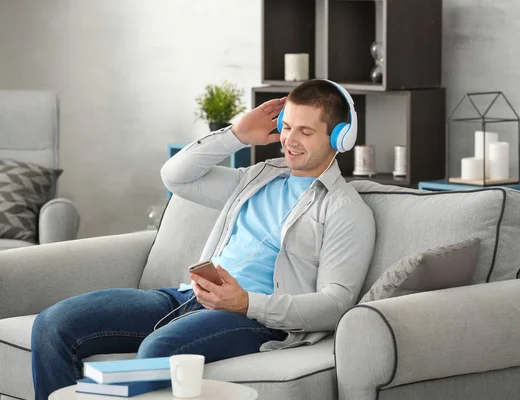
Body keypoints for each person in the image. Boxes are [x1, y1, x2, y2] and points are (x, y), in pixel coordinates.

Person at [30, 79, 376, 399]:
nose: (289, 140)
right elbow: (176, 177)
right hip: (187, 297)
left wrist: (245, 303)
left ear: (339, 137)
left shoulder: (345, 209)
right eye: (286, 127)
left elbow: (335, 305)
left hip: (255, 319)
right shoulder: (256, 177)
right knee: (53, 325)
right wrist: (237, 135)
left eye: (305, 131)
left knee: (158, 350)